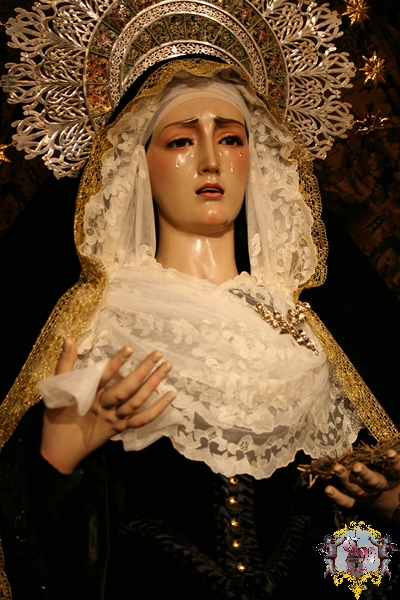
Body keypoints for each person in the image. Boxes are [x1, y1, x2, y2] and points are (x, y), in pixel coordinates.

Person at [1, 59, 400, 600]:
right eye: (181, 142)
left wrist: (386, 509)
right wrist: (55, 465)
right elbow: (60, 549)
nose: (212, 160)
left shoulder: (310, 333)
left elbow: (349, 561)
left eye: (232, 139)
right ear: (137, 162)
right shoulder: (97, 325)